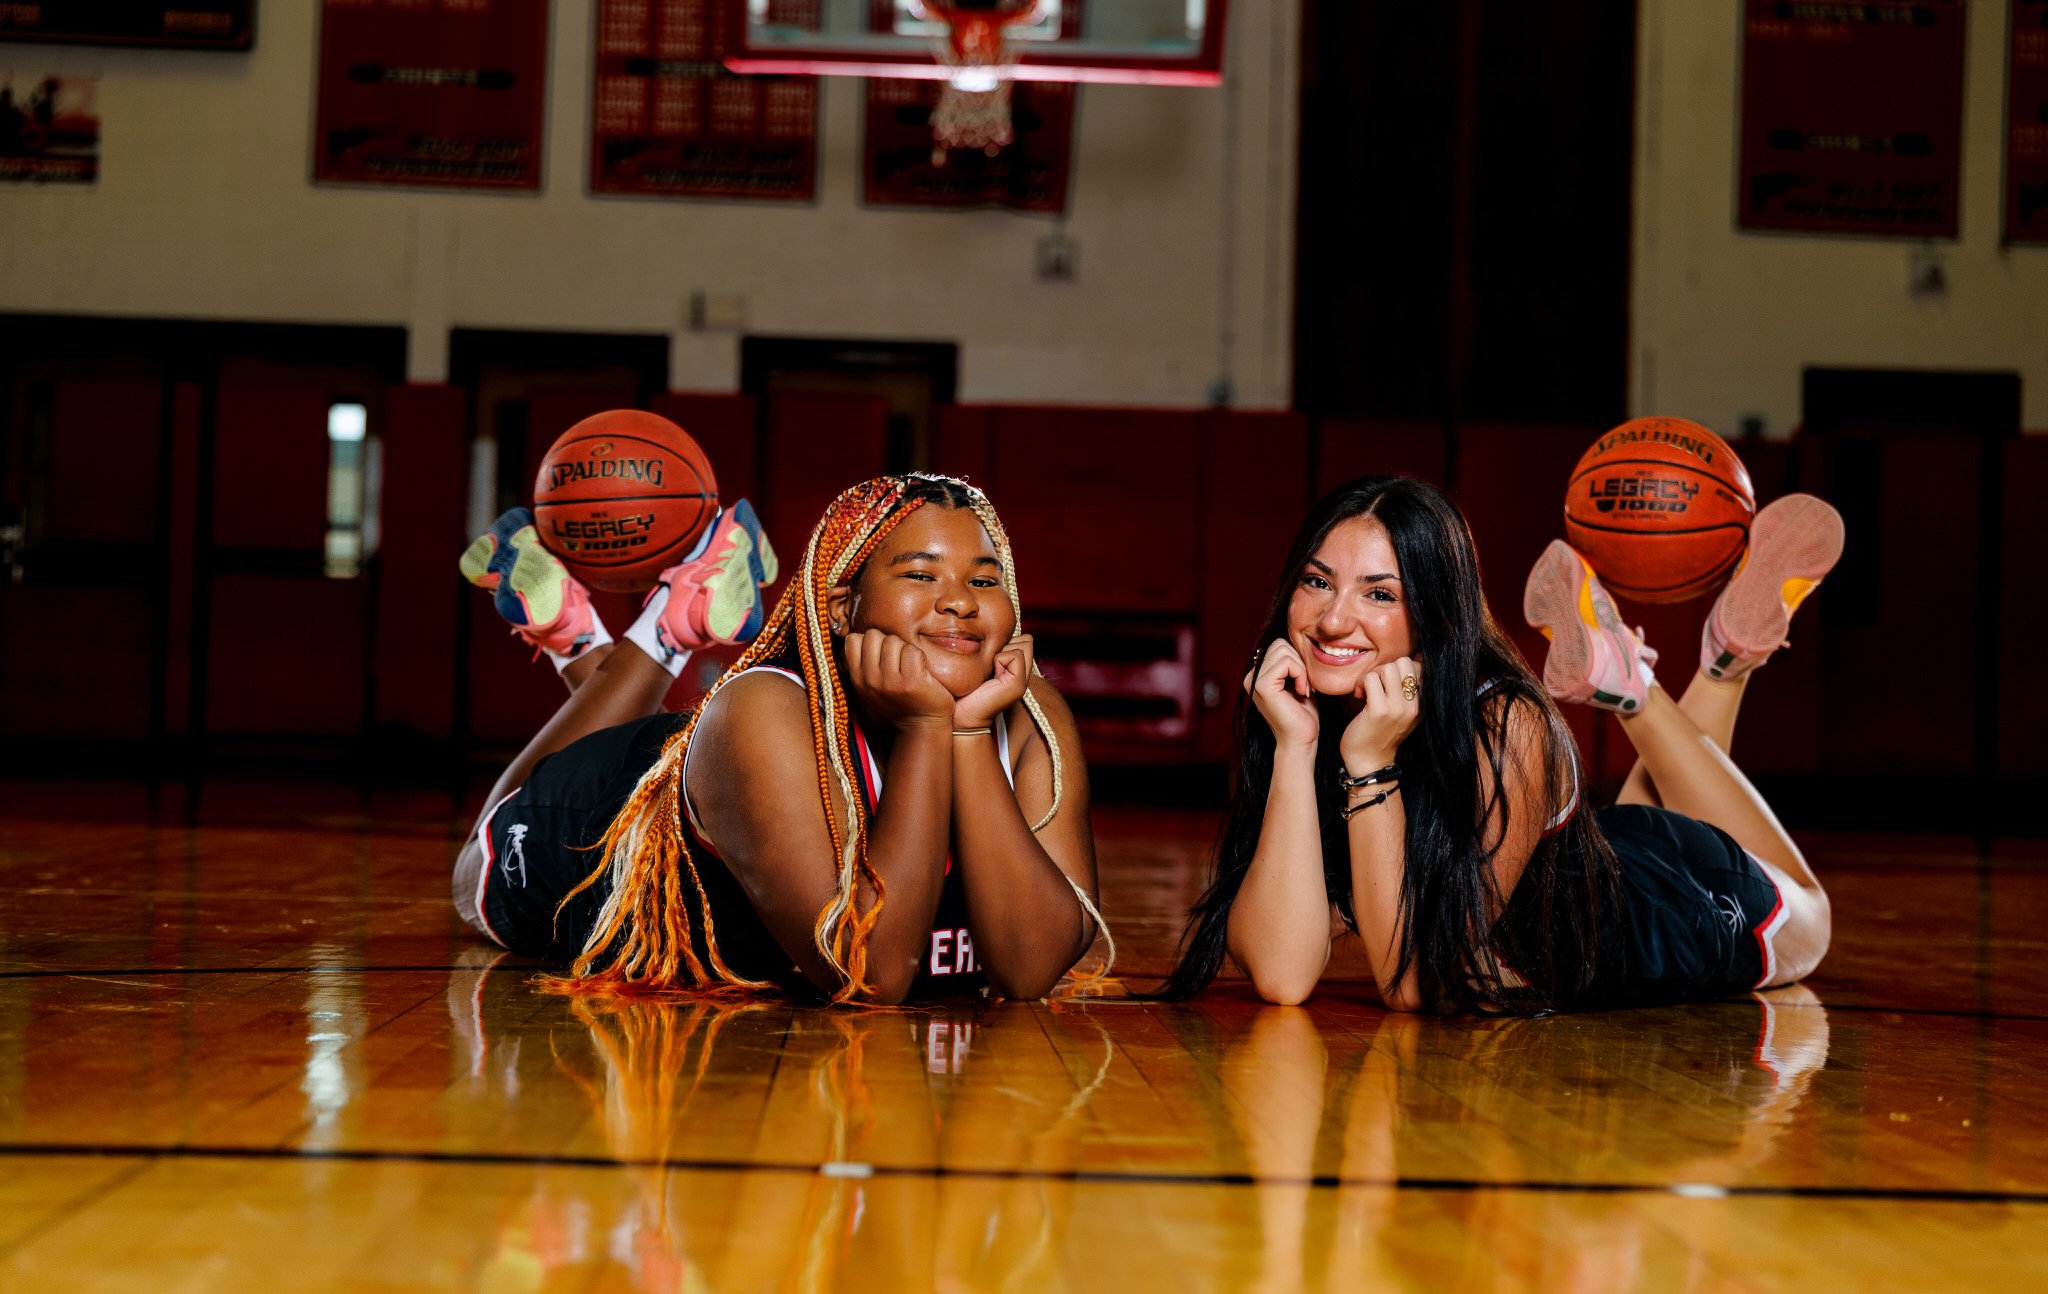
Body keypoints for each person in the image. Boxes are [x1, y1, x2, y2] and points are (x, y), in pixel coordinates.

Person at [1159, 475, 1842, 1014]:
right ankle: (1701, 667)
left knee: (1812, 919)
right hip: (1593, 859)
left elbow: (1415, 983)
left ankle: (1655, 685)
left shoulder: (1508, 723)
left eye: (1380, 594)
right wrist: (1295, 747)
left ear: (1433, 611)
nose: (1334, 618)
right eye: (1317, 581)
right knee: (1614, 852)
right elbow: (1282, 973)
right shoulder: (1309, 711)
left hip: (1674, 906)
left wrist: (1369, 762)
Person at [451, 473, 1106, 1004]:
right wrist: (929, 727)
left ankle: (586, 637)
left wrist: (964, 732)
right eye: (920, 574)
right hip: (598, 820)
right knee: (474, 863)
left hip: (729, 764)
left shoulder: (1030, 714)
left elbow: (1029, 969)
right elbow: (869, 972)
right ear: (842, 608)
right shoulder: (757, 712)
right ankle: (666, 629)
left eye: (984, 580)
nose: (960, 601)